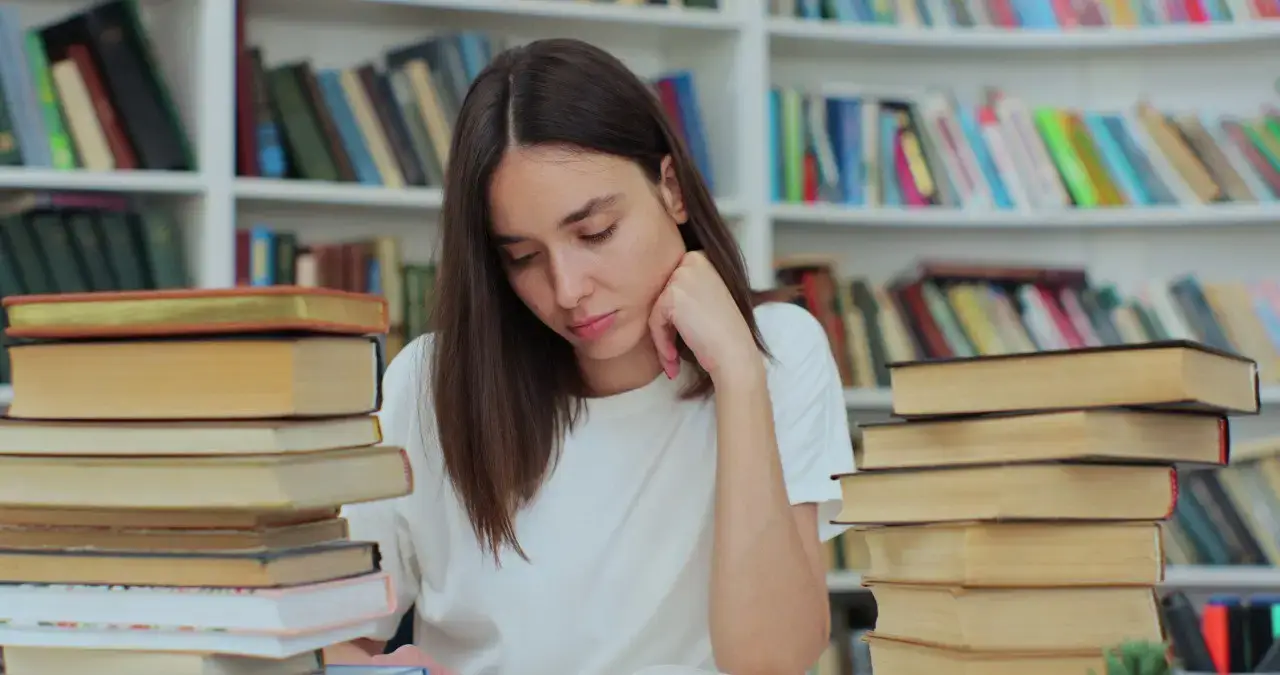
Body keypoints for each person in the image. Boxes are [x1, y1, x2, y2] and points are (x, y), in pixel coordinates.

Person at [325, 37, 856, 675]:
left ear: (671, 189)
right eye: (524, 257)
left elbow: (772, 662)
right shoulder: (428, 383)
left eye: (596, 233)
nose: (567, 290)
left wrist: (739, 377)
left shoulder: (779, 350)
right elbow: (331, 637)